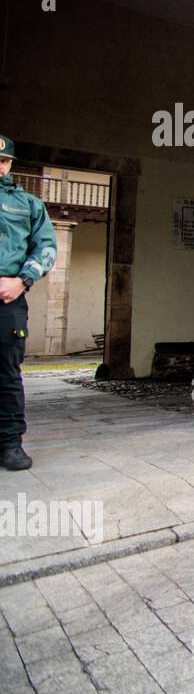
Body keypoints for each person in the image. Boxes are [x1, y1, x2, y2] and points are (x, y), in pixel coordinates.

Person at [0, 135, 57, 471]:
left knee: (7, 373)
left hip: (8, 298)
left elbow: (46, 247)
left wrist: (22, 280)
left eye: (4, 161)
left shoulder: (29, 205)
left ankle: (10, 444)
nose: (0, 166)